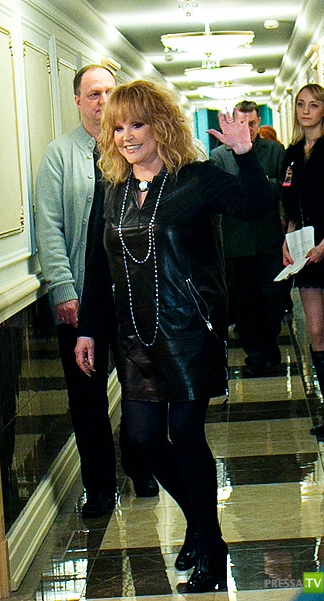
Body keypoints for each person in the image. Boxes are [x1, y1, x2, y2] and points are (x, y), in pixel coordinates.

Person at [74, 80, 272, 592]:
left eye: (136, 124)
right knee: (141, 440)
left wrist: (245, 154)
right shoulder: (111, 188)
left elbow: (256, 206)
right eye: (117, 127)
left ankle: (211, 547)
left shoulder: (196, 179)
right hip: (133, 336)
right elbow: (98, 264)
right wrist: (88, 331)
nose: (125, 136)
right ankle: (200, 524)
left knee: (184, 435)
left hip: (189, 330)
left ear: (160, 125)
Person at [35, 65, 157, 520]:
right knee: (86, 399)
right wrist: (63, 288)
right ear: (78, 101)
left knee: (140, 388)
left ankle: (141, 467)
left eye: (109, 91)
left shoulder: (133, 149)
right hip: (81, 299)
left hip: (133, 299)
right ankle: (100, 487)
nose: (102, 100)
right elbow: (49, 227)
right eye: (93, 93)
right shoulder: (59, 155)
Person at [211, 100, 286, 377]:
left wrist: (258, 184)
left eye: (252, 123)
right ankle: (256, 353)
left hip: (269, 238)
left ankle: (268, 341)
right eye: (241, 123)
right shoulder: (219, 156)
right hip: (236, 241)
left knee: (274, 297)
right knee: (245, 302)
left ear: (258, 122)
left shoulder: (274, 151)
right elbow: (221, 194)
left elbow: (284, 187)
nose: (247, 128)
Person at [282, 83, 324, 437]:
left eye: (313, 105)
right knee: (316, 332)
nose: (305, 111)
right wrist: (288, 242)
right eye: (301, 104)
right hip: (306, 249)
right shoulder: (292, 154)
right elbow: (290, 206)